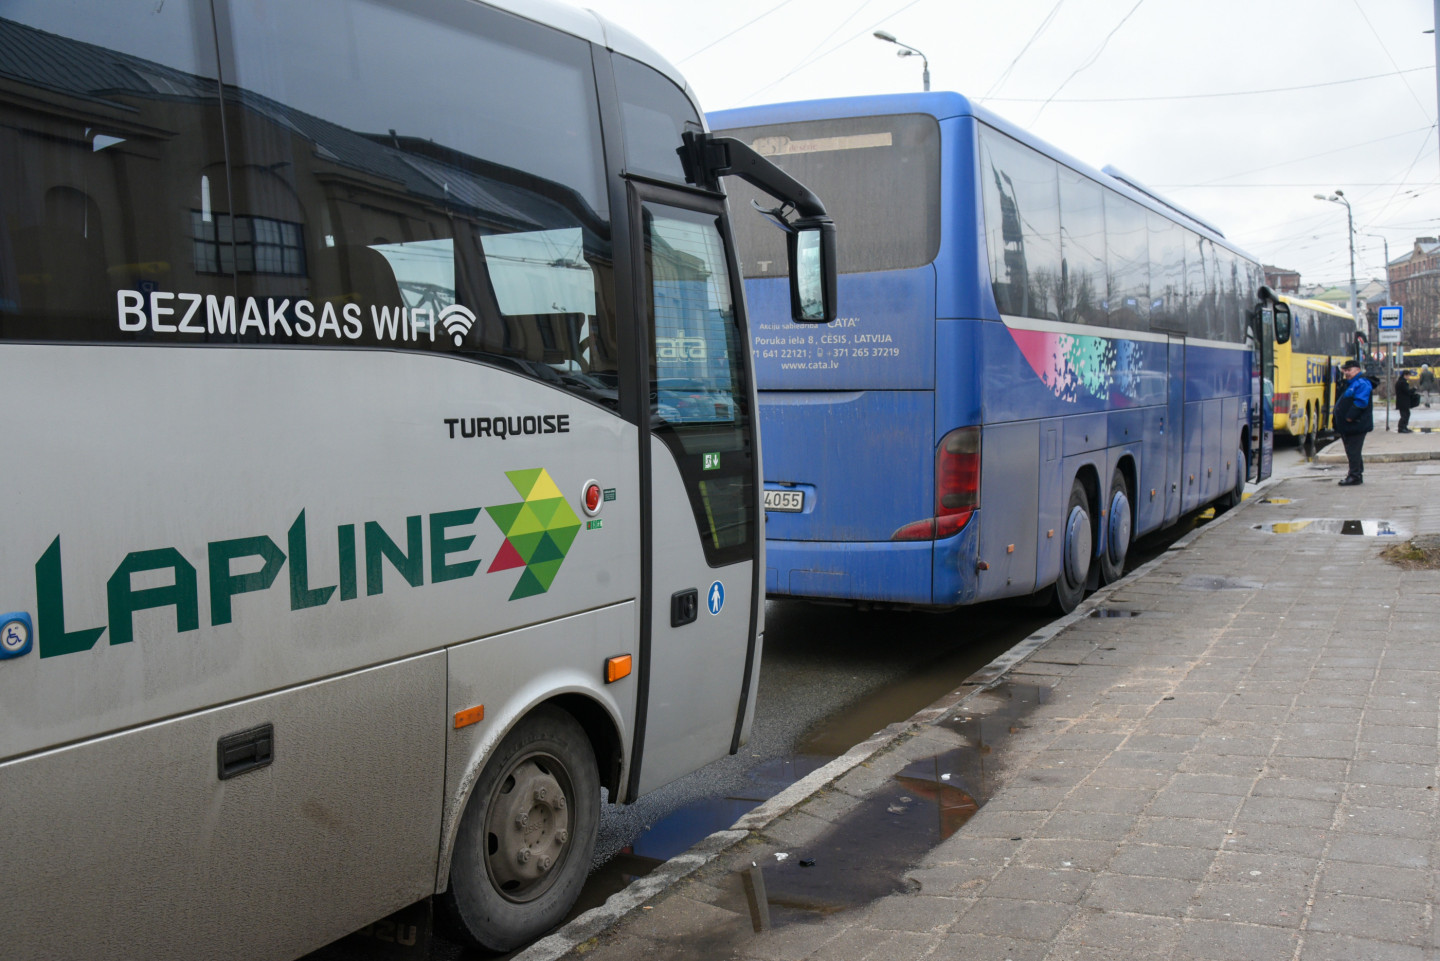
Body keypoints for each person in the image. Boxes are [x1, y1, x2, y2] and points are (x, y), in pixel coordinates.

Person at [1333, 359, 1373, 485]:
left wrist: (1349, 417)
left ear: (1358, 370)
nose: (1346, 373)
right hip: (1351, 425)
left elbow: (1360, 402)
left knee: (1353, 451)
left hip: (1356, 424)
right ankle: (1356, 474)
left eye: (1349, 370)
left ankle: (1354, 476)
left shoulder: (1361, 383)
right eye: (1345, 370)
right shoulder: (1351, 383)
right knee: (1353, 451)